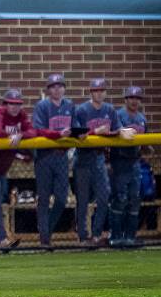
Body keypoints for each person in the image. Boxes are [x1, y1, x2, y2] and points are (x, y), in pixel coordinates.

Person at [0, 89, 38, 248]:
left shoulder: (22, 115)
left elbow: (33, 132)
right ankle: (1, 239)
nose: (14, 107)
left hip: (3, 168)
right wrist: (12, 134)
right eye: (11, 104)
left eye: (17, 104)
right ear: (5, 104)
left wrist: (20, 135)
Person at [32, 74, 77, 247]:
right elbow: (38, 129)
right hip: (45, 156)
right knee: (43, 197)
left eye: (60, 86)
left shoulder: (70, 105)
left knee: (61, 198)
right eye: (53, 86)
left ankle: (47, 229)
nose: (57, 89)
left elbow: (76, 126)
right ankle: (44, 237)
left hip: (62, 156)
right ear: (48, 90)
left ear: (64, 88)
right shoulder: (42, 106)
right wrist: (58, 134)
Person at [74, 78, 120, 245]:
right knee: (83, 199)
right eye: (96, 90)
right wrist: (96, 131)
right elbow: (77, 134)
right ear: (91, 92)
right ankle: (82, 236)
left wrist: (114, 133)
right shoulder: (81, 110)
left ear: (105, 92)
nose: (99, 93)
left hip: (100, 158)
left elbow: (117, 129)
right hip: (83, 159)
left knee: (104, 196)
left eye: (102, 90)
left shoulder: (110, 110)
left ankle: (96, 234)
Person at [109, 86, 149, 246]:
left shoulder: (142, 118)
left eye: (137, 98)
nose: (134, 101)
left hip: (135, 162)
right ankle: (116, 237)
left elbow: (145, 140)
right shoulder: (119, 115)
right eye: (131, 98)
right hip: (120, 161)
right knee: (120, 198)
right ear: (125, 99)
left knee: (134, 199)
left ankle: (130, 237)